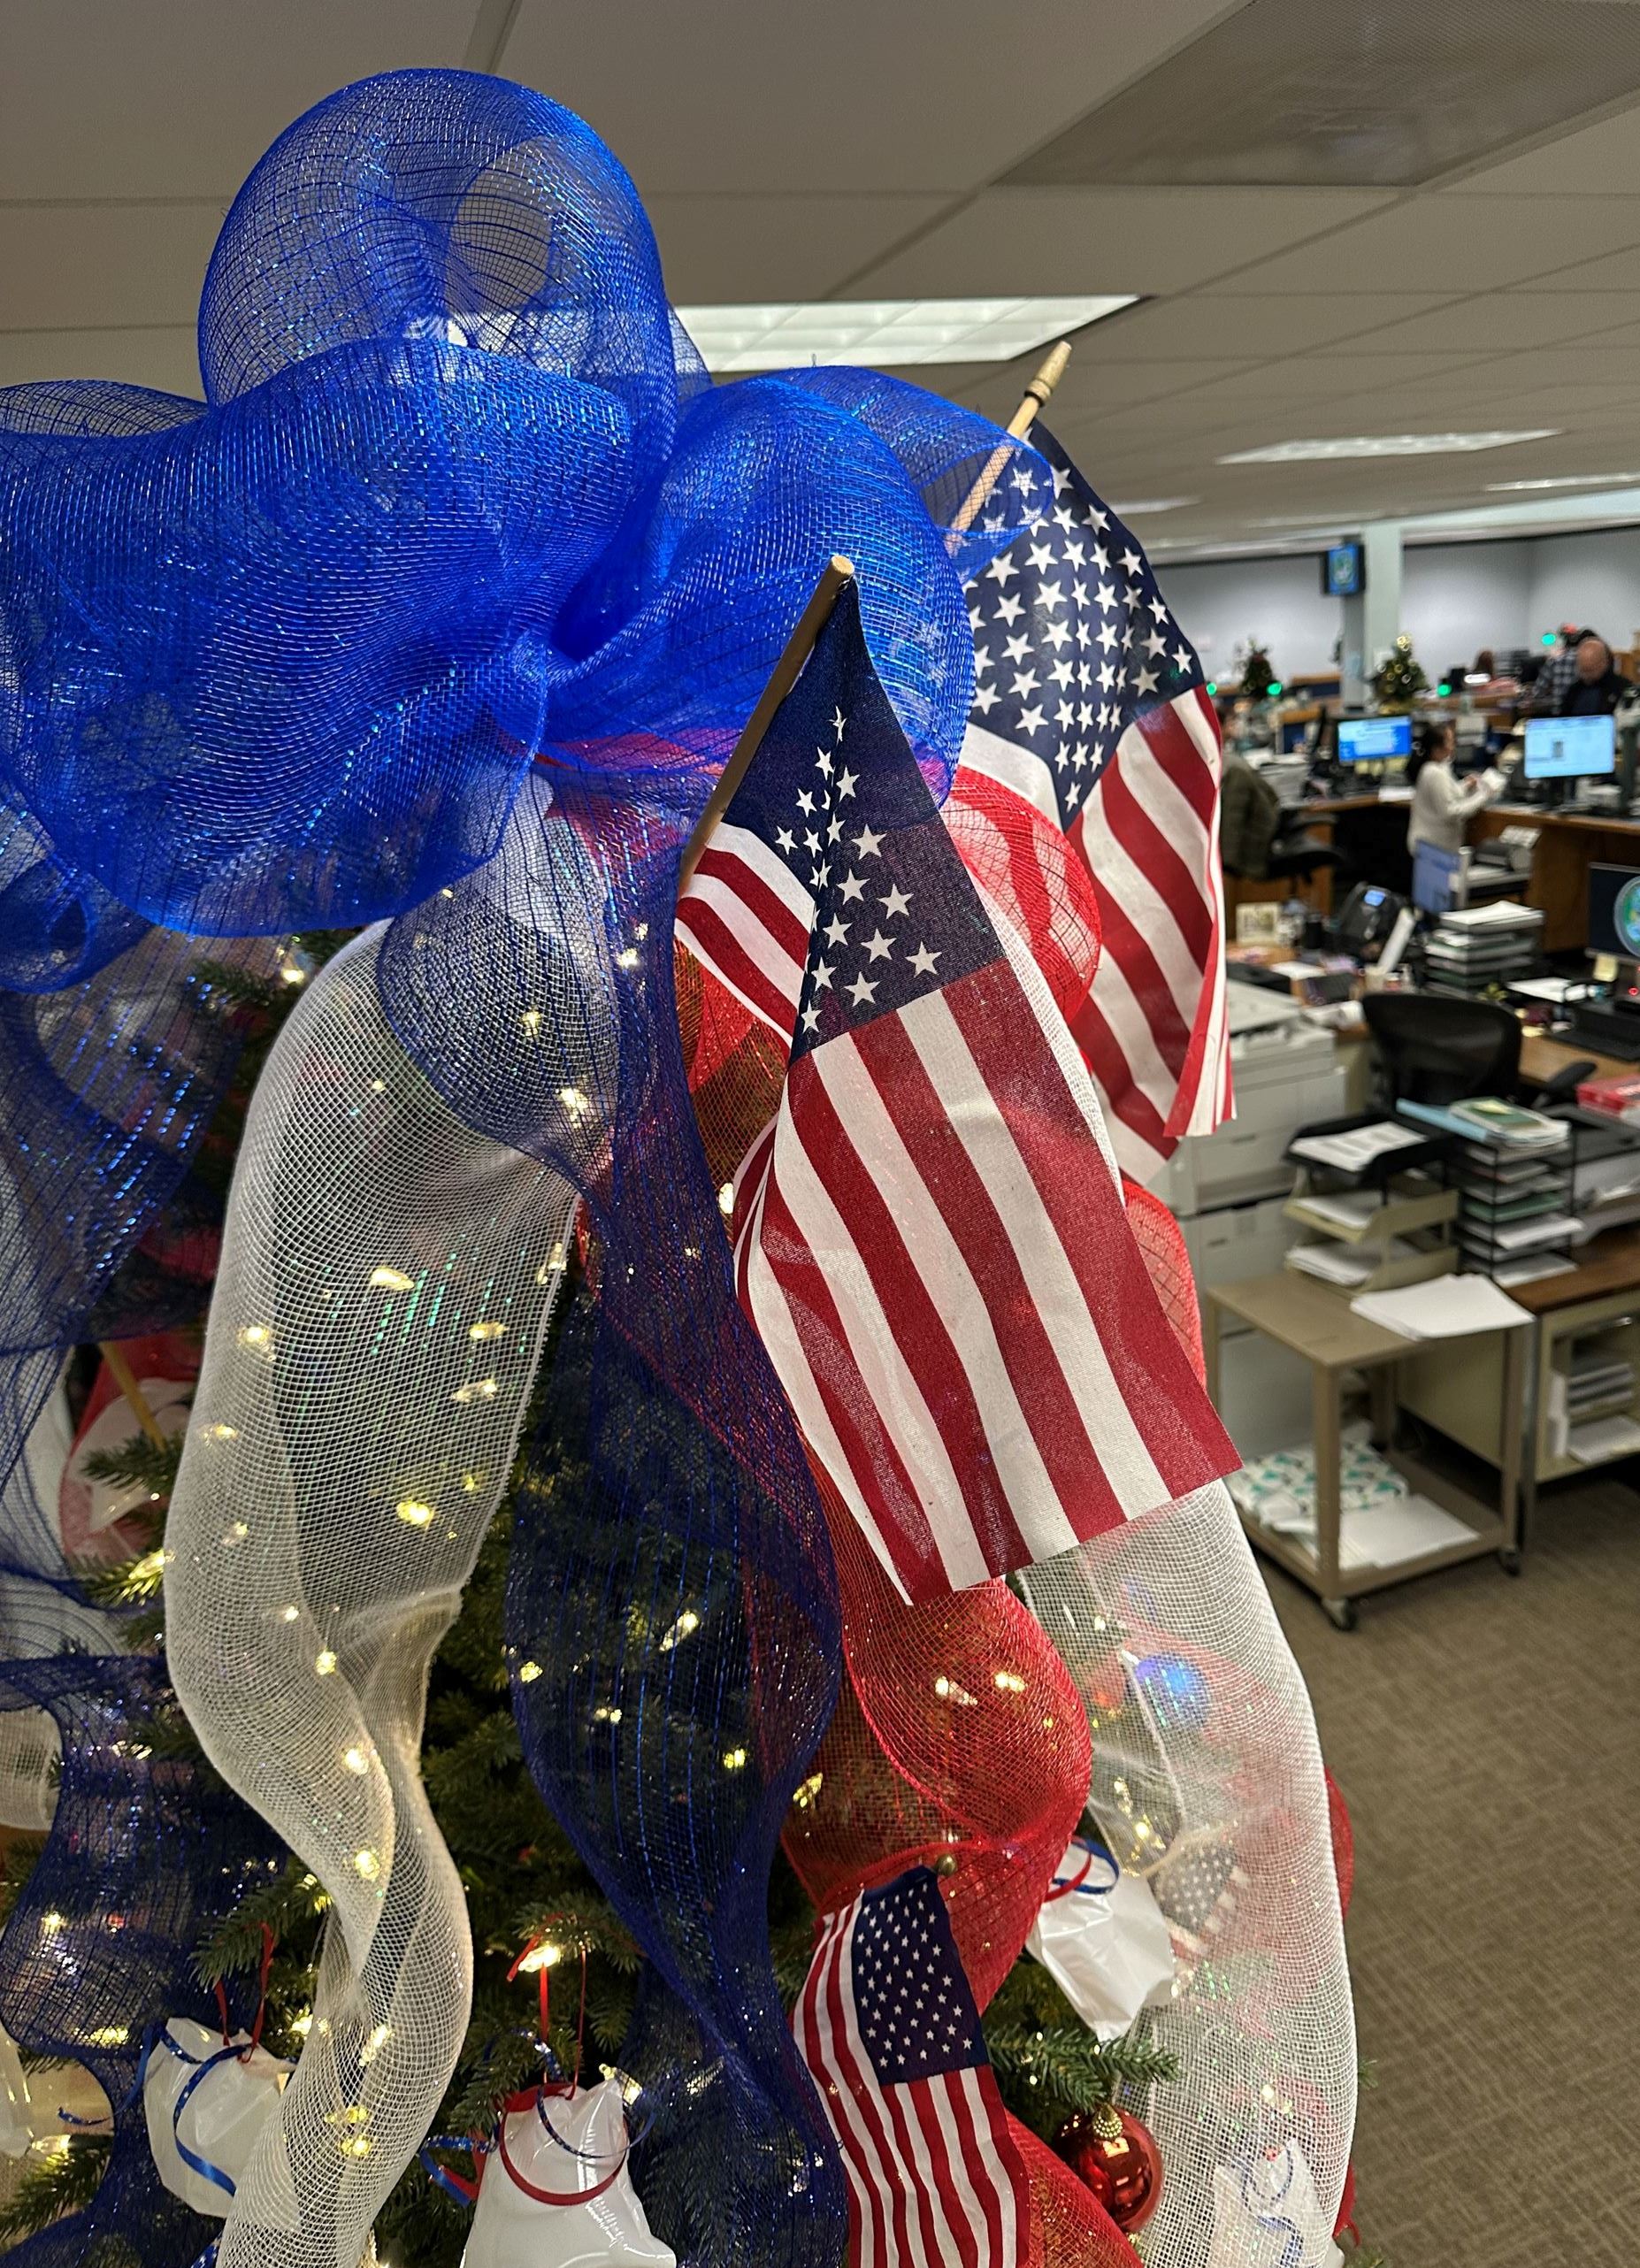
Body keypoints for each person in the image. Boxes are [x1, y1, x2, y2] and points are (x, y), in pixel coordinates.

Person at [1406, 717, 1509, 854]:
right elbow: (1451, 812)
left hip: (1430, 844)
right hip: (1433, 847)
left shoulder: (1436, 768)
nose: (1453, 745)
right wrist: (1483, 795)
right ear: (1437, 748)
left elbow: (1447, 793)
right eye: (1450, 742)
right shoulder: (1434, 773)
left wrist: (1465, 784)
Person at [1554, 632, 1630, 716]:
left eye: (1590, 671)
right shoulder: (1574, 690)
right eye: (1583, 670)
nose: (1586, 676)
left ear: (1604, 663)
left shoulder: (1623, 689)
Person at [1529, 624, 1593, 714]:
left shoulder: (1554, 661)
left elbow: (1538, 692)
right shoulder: (1589, 662)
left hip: (1559, 715)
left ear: (1563, 642)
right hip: (1584, 715)